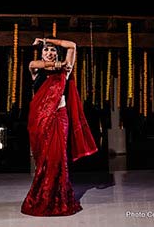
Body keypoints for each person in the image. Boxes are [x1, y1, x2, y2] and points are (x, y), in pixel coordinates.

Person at [21, 37, 98, 216]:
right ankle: (41, 196)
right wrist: (59, 64)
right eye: (46, 50)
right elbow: (37, 63)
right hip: (40, 120)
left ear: (57, 53)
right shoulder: (35, 68)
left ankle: (58, 197)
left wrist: (47, 40)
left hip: (59, 118)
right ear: (41, 53)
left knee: (58, 157)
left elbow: (73, 45)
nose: (49, 53)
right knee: (43, 160)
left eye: (53, 50)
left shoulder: (65, 71)